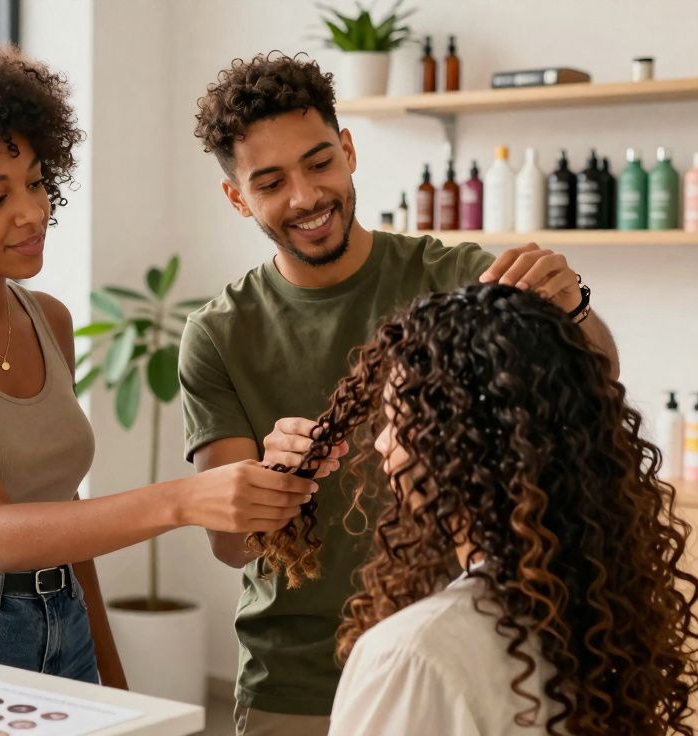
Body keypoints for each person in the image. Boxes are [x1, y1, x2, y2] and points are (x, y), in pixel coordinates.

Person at [0, 47, 316, 687]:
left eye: (36, 182)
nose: (32, 211)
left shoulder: (47, 319)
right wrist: (187, 499)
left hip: (64, 615)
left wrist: (109, 672)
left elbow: (62, 513)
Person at [181, 52, 620, 733]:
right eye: (270, 181)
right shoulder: (219, 335)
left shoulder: (456, 275)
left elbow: (594, 379)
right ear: (238, 197)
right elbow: (231, 546)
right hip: (294, 681)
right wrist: (269, 484)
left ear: (349, 151)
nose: (305, 196)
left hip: (455, 652)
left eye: (319, 162)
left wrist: (574, 305)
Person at [263, 283, 698, 735]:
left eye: (398, 421)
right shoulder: (591, 619)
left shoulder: (412, 654)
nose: (381, 445)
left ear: (463, 447)